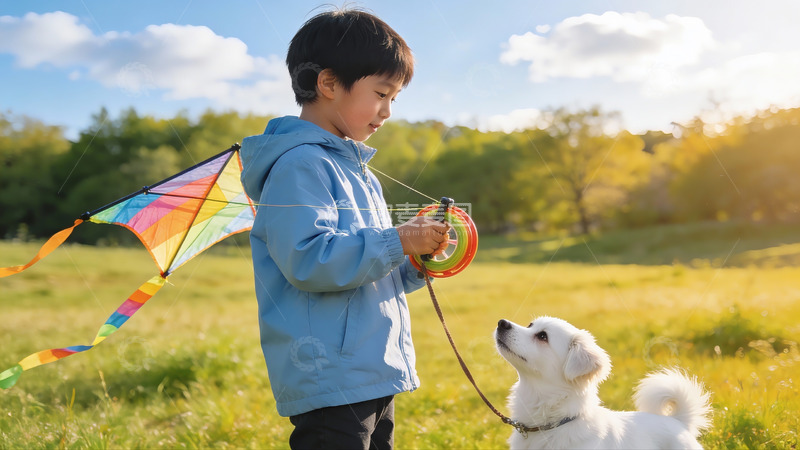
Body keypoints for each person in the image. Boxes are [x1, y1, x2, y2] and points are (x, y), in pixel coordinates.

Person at [239, 8, 450, 449]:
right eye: (381, 93)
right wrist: (397, 239)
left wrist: (415, 260)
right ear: (329, 84)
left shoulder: (361, 174)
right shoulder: (299, 165)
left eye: (395, 98)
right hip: (330, 373)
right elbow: (310, 260)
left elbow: (367, 271)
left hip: (373, 366)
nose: (388, 111)